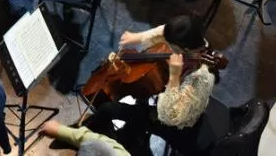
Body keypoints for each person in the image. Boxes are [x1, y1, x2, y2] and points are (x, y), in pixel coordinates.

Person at [73, 16, 216, 153]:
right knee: (143, 93)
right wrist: (138, 37)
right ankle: (132, 136)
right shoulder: (193, 39)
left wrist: (174, 77)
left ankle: (84, 135)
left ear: (185, 49)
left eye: (172, 47)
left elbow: (172, 115)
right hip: (165, 100)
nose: (169, 49)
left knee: (107, 109)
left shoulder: (202, 78)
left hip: (176, 122)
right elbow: (163, 31)